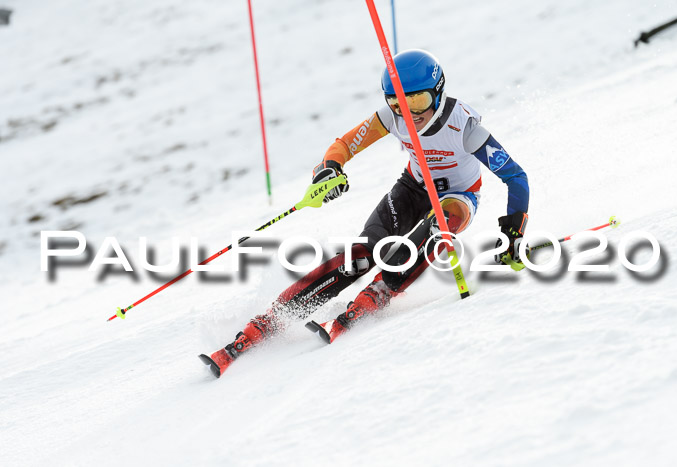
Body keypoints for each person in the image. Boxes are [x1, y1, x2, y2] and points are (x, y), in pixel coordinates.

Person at [201, 49, 529, 377]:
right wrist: (330, 168)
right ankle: (275, 316)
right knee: (365, 252)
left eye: (418, 102)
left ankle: (381, 290)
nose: (409, 114)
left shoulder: (464, 126)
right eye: (398, 103)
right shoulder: (391, 117)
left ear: (439, 92)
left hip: (457, 197)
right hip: (413, 188)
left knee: (431, 231)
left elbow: (516, 177)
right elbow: (344, 144)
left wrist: (513, 233)